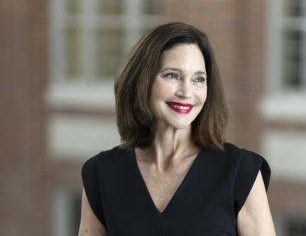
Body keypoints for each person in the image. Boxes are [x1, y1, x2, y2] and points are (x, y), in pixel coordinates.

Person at [78, 22, 276, 236]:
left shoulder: (241, 171)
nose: (186, 92)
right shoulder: (102, 174)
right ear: (142, 81)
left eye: (198, 79)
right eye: (172, 75)